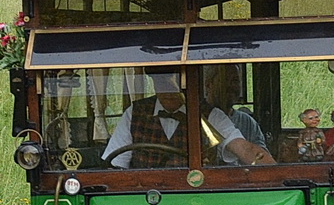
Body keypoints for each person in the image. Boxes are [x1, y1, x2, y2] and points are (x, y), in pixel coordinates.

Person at [103, 71, 274, 168]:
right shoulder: (135, 113)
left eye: (174, 81)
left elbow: (244, 149)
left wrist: (278, 175)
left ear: (185, 82)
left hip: (195, 195)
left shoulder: (210, 114)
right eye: (161, 80)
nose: (169, 88)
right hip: (146, 198)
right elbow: (117, 164)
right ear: (153, 81)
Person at [203, 65, 270, 164]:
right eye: (225, 80)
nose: (231, 86)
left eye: (235, 81)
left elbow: (260, 160)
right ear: (208, 85)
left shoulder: (248, 122)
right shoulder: (196, 117)